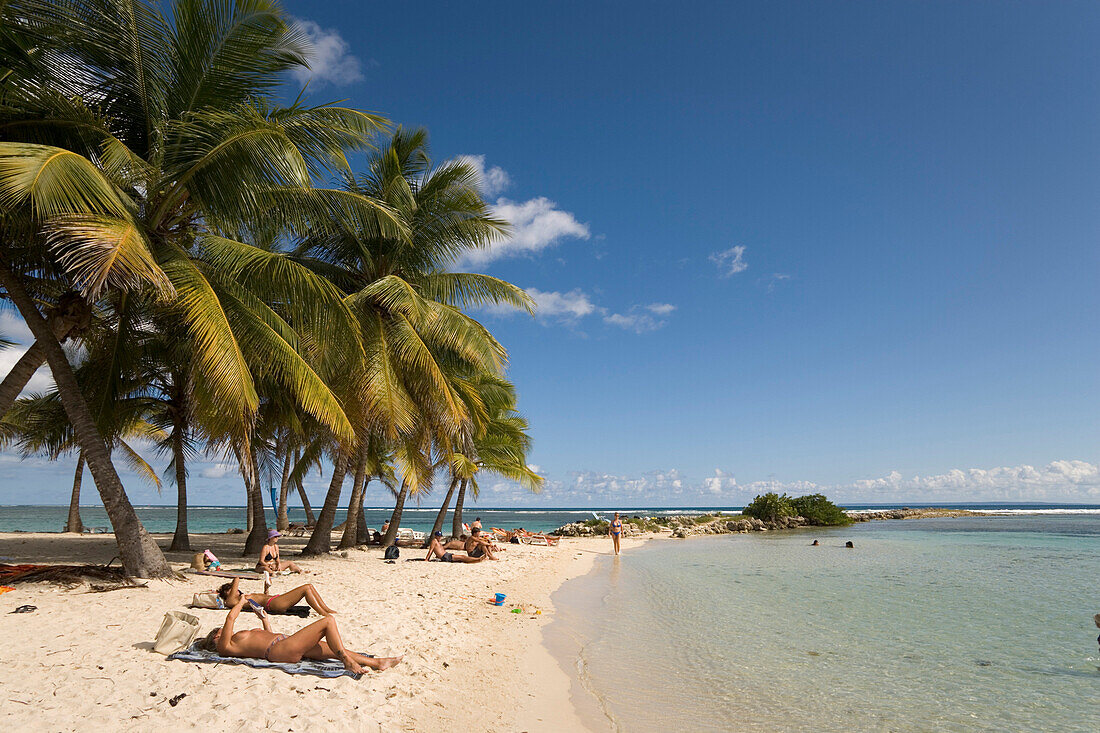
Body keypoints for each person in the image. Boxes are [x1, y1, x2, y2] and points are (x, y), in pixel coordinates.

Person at [203, 596, 401, 673]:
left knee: (334, 649)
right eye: (220, 632)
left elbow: (266, 638)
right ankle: (348, 662)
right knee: (327, 621)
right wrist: (242, 601)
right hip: (281, 650)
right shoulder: (225, 646)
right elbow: (230, 619)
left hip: (282, 645)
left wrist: (263, 619)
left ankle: (378, 663)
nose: (224, 630)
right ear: (215, 637)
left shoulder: (236, 641)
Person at [217, 576, 336, 616]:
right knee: (305, 588)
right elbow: (237, 579)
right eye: (231, 589)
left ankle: (326, 609)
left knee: (309, 586)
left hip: (273, 600)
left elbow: (261, 600)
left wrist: (266, 587)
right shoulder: (231, 601)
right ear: (227, 593)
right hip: (274, 603)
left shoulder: (239, 598)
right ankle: (322, 612)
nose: (236, 590)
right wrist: (228, 586)